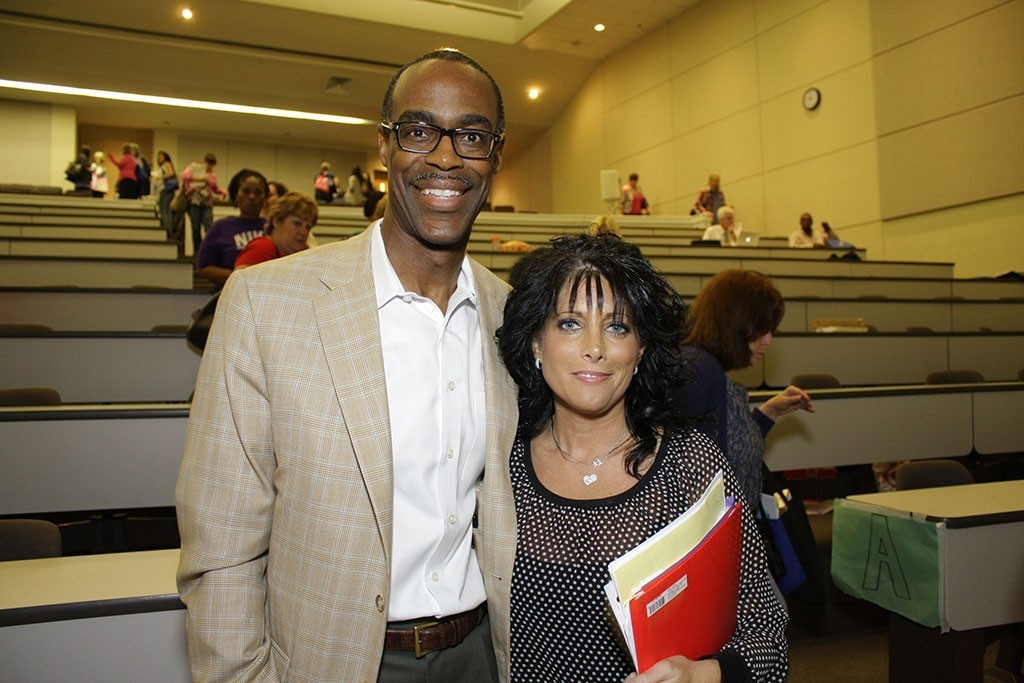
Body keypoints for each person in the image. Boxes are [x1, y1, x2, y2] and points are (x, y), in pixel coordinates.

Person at [176, 48, 516, 683]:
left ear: (496, 156)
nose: (445, 157)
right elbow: (220, 544)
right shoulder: (264, 303)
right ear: (384, 148)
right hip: (332, 660)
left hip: (482, 654)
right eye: (418, 130)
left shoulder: (513, 316)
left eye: (471, 135)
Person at [495, 234, 788, 683]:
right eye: (570, 324)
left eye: (617, 327)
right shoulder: (498, 464)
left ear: (641, 351)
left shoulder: (691, 463)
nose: (595, 347)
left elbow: (766, 631)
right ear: (536, 344)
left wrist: (699, 676)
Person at [676, 269, 814, 514]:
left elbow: (734, 449)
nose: (769, 341)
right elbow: (700, 476)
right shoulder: (700, 372)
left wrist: (768, 413)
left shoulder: (709, 368)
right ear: (735, 323)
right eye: (762, 329)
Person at [194, 168, 268, 288]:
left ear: (265, 198)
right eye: (246, 191)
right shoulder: (220, 227)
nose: (252, 197)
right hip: (230, 294)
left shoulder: (274, 228)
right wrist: (239, 275)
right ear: (236, 195)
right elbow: (203, 268)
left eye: (258, 192)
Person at [235, 191, 318, 269]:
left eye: (308, 227)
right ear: (277, 221)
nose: (304, 232)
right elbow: (237, 282)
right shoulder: (264, 247)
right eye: (297, 224)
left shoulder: (297, 256)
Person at [182, 153, 228, 256]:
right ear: (204, 162)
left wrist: (222, 192)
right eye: (208, 164)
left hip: (206, 203)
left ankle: (209, 250)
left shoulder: (212, 175)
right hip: (194, 202)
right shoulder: (194, 169)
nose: (209, 167)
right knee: (195, 227)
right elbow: (185, 177)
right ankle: (197, 251)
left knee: (208, 225)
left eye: (211, 165)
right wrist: (202, 179)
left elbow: (215, 188)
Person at [153, 151, 181, 248]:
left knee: (164, 211)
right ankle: (168, 230)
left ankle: (168, 230)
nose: (159, 159)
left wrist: (159, 177)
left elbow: (171, 173)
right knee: (165, 211)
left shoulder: (166, 164)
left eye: (161, 157)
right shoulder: (165, 165)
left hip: (166, 190)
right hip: (164, 190)